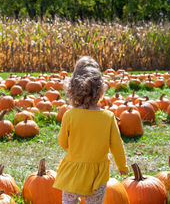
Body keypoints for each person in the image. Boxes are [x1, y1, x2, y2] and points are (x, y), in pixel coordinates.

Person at [53, 56, 129, 204]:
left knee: (69, 201)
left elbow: (63, 143)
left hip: (72, 174)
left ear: (72, 90)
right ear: (101, 91)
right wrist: (122, 166)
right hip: (97, 176)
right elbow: (117, 145)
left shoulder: (69, 115)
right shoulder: (108, 117)